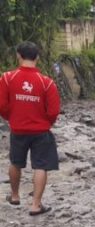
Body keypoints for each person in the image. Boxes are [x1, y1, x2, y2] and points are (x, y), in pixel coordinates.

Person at [0, 41, 61, 216]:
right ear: (38, 58)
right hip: (41, 131)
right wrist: (46, 123)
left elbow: (2, 105)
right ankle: (35, 205)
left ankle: (14, 195)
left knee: (15, 162)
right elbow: (54, 110)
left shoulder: (7, 78)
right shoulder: (46, 82)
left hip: (18, 129)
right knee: (40, 166)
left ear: (18, 55)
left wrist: (12, 118)